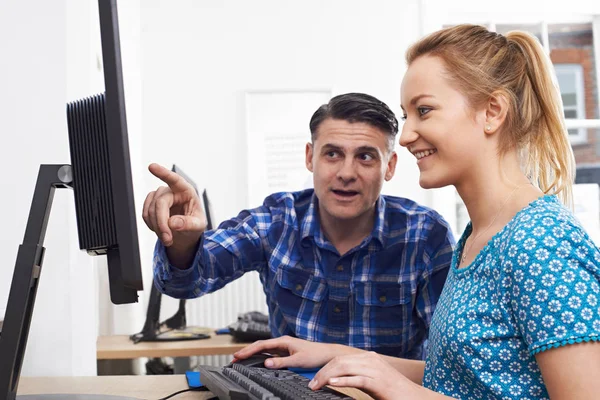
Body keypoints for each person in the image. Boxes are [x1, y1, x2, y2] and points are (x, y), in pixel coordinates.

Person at [234, 25, 600, 399]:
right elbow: (462, 380)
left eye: (423, 111)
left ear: (492, 112)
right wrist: (339, 356)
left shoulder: (543, 243)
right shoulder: (478, 236)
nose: (407, 135)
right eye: (407, 115)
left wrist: (401, 391)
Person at [143, 92, 456, 360]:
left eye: (365, 157)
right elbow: (184, 283)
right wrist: (184, 239)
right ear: (310, 158)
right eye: (332, 154)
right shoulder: (276, 221)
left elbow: (447, 356)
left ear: (389, 166)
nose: (347, 173)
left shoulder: (425, 235)